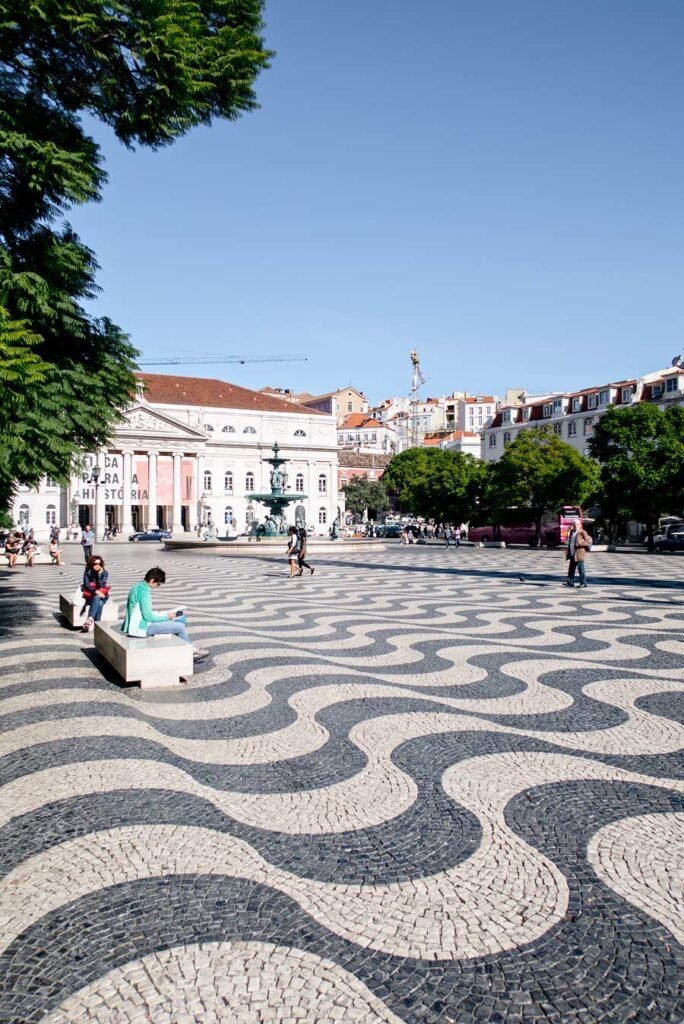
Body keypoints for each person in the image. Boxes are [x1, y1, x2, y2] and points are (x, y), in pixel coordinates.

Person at [122, 566, 209, 662]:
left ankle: (186, 649)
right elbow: (148, 617)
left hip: (137, 625)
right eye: (158, 584)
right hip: (142, 627)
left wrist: (164, 614)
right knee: (180, 626)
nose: (158, 586)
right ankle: (190, 653)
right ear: (152, 580)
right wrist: (167, 616)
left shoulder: (138, 586)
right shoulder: (144, 592)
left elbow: (142, 611)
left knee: (179, 619)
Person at [81, 554, 111, 631]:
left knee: (99, 600)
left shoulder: (104, 572)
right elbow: (86, 585)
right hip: (91, 594)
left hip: (103, 595)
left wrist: (99, 574)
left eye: (99, 564)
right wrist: (95, 591)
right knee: (99, 602)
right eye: (95, 564)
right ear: (91, 564)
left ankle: (90, 619)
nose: (97, 565)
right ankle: (98, 624)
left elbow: (102, 585)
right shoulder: (88, 572)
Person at [565, 522, 592, 588]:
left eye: (577, 524)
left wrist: (580, 543)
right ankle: (570, 582)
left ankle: (583, 583)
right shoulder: (572, 532)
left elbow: (589, 541)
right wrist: (568, 550)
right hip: (572, 552)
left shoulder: (582, 532)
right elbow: (570, 542)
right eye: (574, 524)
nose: (575, 526)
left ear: (579, 525)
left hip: (579, 553)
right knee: (571, 569)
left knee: (581, 569)